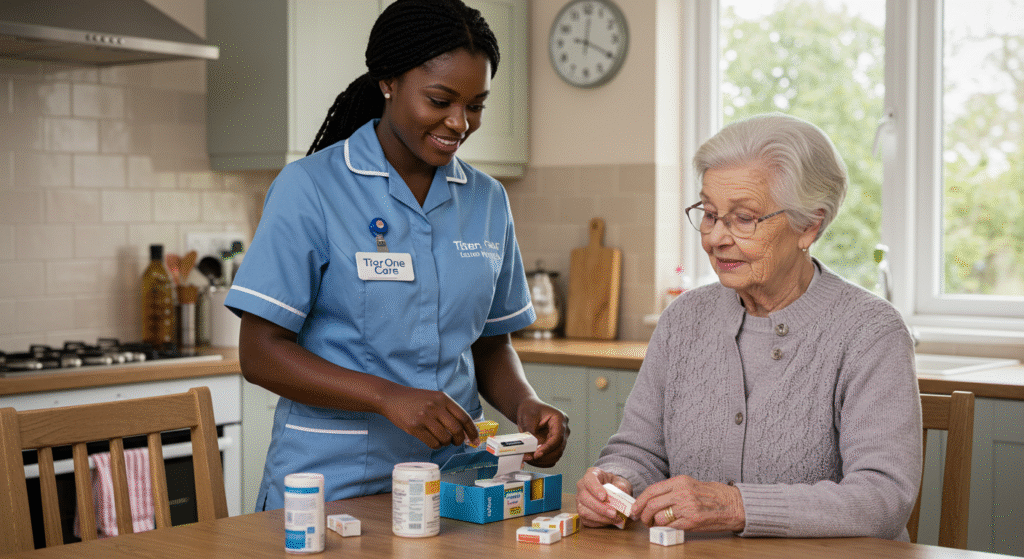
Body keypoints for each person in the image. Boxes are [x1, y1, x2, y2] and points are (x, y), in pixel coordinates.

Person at [225, 0, 568, 511]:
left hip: (453, 483)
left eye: (475, 105)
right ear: (388, 81)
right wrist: (388, 396)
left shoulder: (487, 200)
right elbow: (260, 352)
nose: (460, 123)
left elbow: (490, 345)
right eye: (440, 100)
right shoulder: (310, 188)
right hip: (331, 485)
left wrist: (526, 405)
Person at [576, 113, 922, 540]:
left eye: (743, 218)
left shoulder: (870, 332)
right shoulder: (684, 319)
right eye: (709, 213)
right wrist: (617, 480)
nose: (715, 237)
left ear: (809, 225)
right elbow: (639, 449)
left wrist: (737, 507)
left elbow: (882, 498)